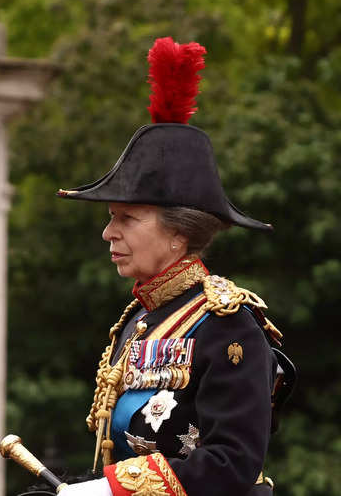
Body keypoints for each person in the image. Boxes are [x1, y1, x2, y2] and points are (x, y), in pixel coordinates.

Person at [54, 37, 292, 496]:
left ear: (179, 233)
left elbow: (232, 462)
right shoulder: (140, 318)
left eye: (127, 218)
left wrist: (109, 490)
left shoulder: (228, 324)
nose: (109, 233)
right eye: (110, 218)